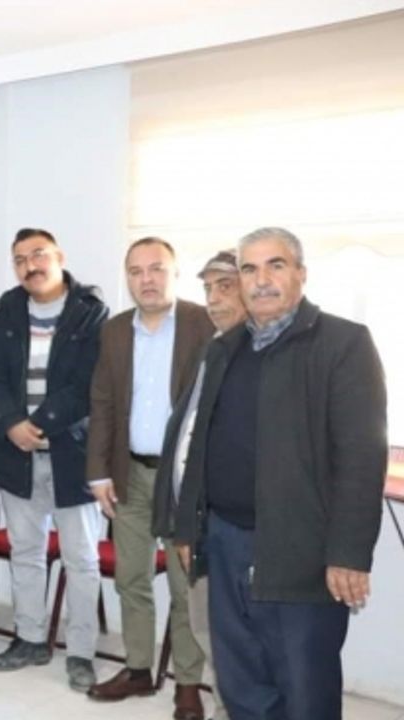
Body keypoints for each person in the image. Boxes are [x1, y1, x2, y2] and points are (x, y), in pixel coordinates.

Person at [174, 228, 388, 720]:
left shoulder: (343, 343)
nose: (261, 279)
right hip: (225, 544)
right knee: (241, 684)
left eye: (276, 265)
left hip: (302, 552)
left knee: (304, 688)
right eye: (249, 269)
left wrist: (349, 555)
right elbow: (199, 444)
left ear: (300, 274)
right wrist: (188, 527)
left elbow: (362, 458)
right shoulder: (225, 348)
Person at [84, 238, 214, 719]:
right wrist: (98, 472)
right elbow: (102, 403)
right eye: (136, 271)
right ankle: (138, 669)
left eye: (157, 268)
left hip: (183, 483)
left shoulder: (204, 324)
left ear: (174, 273)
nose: (147, 279)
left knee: (185, 586)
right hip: (130, 475)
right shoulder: (115, 330)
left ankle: (187, 682)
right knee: (131, 578)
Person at [0, 228, 109, 692]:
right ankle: (30, 638)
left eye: (38, 254)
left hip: (73, 454)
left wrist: (37, 424)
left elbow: (88, 384)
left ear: (59, 257)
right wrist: (11, 423)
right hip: (17, 455)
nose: (29, 265)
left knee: (81, 559)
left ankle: (80, 652)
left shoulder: (90, 312)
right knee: (27, 553)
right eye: (19, 259)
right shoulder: (7, 310)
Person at [151, 248, 247, 720]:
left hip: (236, 528)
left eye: (225, 286)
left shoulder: (259, 358)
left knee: (237, 640)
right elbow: (189, 437)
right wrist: (181, 521)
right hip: (200, 522)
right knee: (209, 630)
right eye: (208, 288)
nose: (213, 298)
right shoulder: (215, 349)